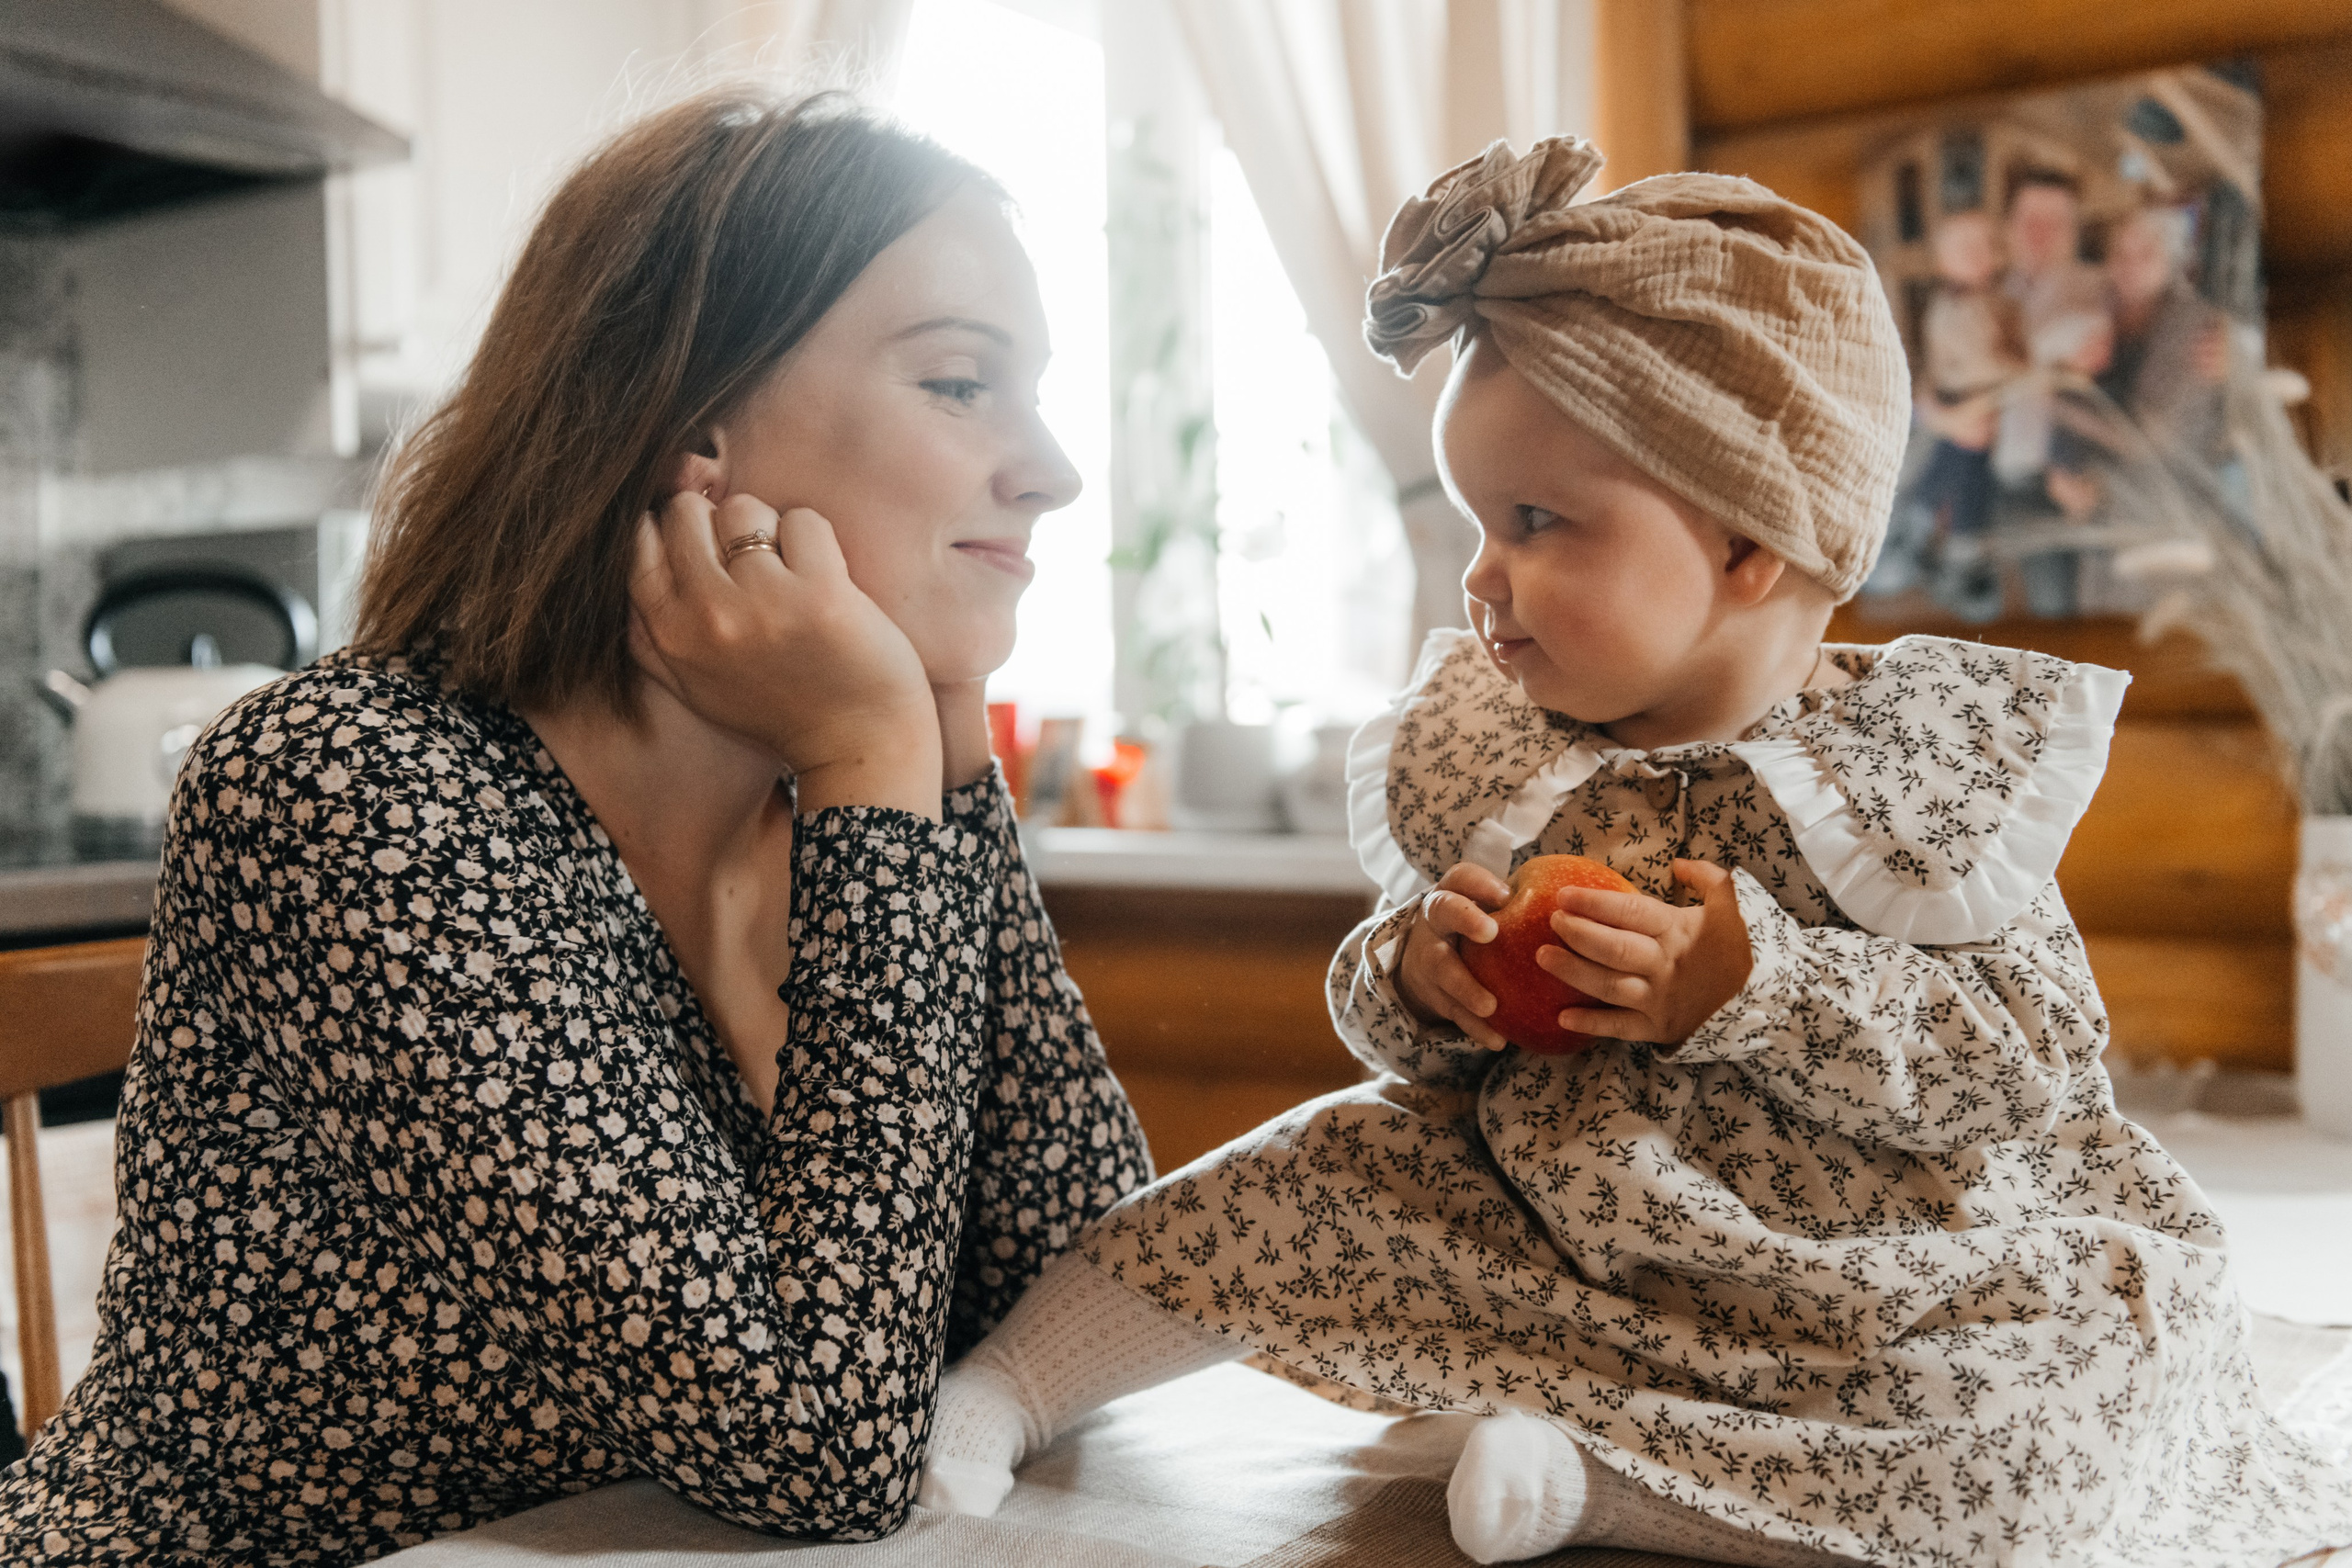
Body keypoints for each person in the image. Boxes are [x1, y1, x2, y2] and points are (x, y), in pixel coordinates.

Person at [918, 139, 2352, 1567]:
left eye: (1537, 522)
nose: (1482, 575)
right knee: (1310, 1169)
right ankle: (1014, 1385)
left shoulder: (1908, 774)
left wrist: (1760, 985)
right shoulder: (1512, 753)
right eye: (1483, 522)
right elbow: (1403, 1052)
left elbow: (2027, 1056)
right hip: (1567, 1228)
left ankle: (1602, 1486)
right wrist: (1421, 982)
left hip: (1868, 1275)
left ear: (1749, 545)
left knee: (2040, 1431)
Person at [0, 87, 1151, 1564]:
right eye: (957, 385)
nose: (1049, 467)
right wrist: (877, 753)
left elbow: (1083, 1289)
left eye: (1034, 393)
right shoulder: (352, 789)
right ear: (695, 426)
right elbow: (821, 1456)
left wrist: (939, 762)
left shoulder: (828, 824)